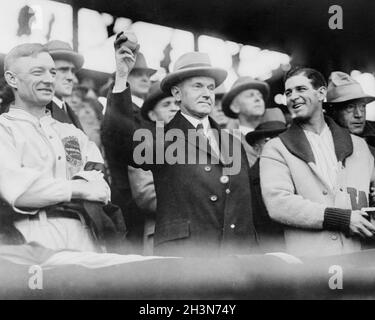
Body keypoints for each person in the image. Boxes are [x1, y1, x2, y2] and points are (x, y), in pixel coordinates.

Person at [102, 32, 257, 257]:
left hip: (237, 262)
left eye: (211, 88)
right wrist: (122, 76)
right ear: (176, 93)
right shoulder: (162, 138)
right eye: (197, 86)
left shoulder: (232, 142)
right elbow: (118, 140)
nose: (207, 94)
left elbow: (244, 208)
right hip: (186, 260)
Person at [0, 43, 111, 251]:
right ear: (12, 79)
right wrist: (78, 188)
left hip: (85, 233)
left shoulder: (72, 132)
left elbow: (101, 185)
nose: (49, 79)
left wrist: (47, 187)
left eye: (52, 72)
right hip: (31, 234)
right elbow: (20, 192)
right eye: (37, 72)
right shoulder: (4, 129)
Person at [260, 67, 375, 257]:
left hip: (356, 259)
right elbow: (278, 203)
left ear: (321, 93)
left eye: (301, 89)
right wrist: (341, 218)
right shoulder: (276, 148)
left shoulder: (359, 146)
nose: (293, 97)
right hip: (311, 267)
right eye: (288, 92)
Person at [104, 51, 156, 254]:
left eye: (148, 75)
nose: (145, 78)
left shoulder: (149, 115)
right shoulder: (120, 109)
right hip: (131, 202)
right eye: (137, 74)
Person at [130, 81, 179, 255]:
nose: (174, 108)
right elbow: (146, 195)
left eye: (177, 104)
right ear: (151, 114)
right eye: (166, 104)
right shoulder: (145, 146)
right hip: (163, 234)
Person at [246, 108, 287, 252]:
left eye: (281, 139)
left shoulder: (296, 172)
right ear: (257, 148)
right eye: (268, 141)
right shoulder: (249, 181)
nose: (277, 146)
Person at [222, 77, 270, 167]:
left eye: (260, 96)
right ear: (235, 107)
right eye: (250, 95)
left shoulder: (275, 134)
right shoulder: (227, 144)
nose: (257, 99)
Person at [324, 71, 375, 156]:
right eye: (350, 107)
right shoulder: (324, 142)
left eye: (362, 106)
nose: (359, 115)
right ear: (332, 111)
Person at [44, 40, 84, 129]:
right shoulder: (37, 112)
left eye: (72, 71)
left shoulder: (68, 110)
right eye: (63, 70)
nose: (71, 77)